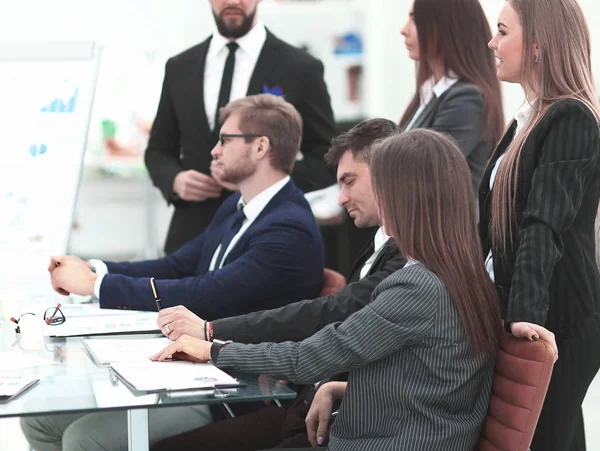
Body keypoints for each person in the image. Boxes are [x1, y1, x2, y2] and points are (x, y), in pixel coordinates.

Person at [151, 129, 501, 450]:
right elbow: (431, 382)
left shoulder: (417, 286)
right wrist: (341, 388)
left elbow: (306, 358)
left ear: (405, 194)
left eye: (380, 186)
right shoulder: (467, 276)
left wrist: (212, 350)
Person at [21, 95, 325, 451]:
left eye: (225, 140)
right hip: (189, 365)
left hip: (236, 386)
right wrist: (95, 268)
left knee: (83, 438)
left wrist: (96, 285)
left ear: (260, 147)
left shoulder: (288, 227)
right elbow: (178, 265)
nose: (214, 150)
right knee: (37, 420)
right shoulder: (239, 205)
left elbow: (207, 293)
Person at [481, 1, 600, 450]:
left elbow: (542, 222)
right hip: (529, 314)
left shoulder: (571, 118)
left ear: (536, 45)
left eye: (502, 31)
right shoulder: (526, 120)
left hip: (556, 322)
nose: (492, 42)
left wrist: (524, 315)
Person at [146, 0, 337, 254]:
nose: (233, 1)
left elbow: (328, 157)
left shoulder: (301, 68)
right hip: (190, 235)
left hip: (265, 235)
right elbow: (158, 149)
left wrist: (263, 182)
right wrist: (175, 180)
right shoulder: (179, 67)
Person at [399, 0, 504, 197]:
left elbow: (419, 171)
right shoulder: (430, 93)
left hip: (444, 225)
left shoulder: (466, 100)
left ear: (444, 27)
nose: (403, 30)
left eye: (415, 19)